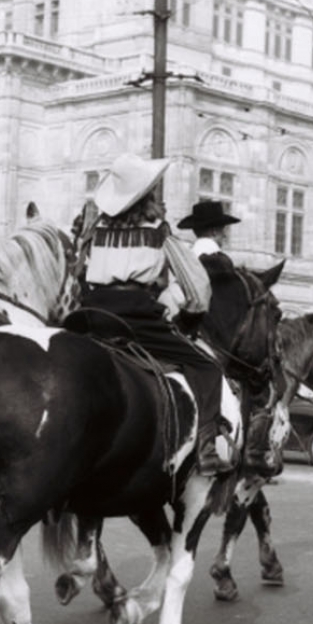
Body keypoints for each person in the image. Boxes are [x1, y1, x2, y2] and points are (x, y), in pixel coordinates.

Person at [80, 151, 230, 475]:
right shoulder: (157, 229)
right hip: (135, 318)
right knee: (207, 368)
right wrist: (190, 313)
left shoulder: (96, 229)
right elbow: (197, 287)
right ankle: (206, 450)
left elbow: (79, 270)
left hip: (91, 314)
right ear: (146, 196)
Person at [175, 198, 280, 475]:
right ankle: (212, 446)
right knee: (215, 377)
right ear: (216, 231)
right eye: (223, 229)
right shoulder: (220, 264)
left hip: (173, 324)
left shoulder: (183, 255)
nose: (226, 234)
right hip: (199, 336)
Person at [176, 200, 240, 273]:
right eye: (222, 230)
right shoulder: (220, 261)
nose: (224, 235)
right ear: (214, 232)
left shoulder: (186, 258)